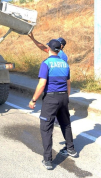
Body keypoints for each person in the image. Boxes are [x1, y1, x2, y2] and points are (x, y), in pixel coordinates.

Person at [29, 39, 77, 170]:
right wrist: (66, 97)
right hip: (63, 97)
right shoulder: (64, 64)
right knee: (65, 123)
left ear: (49, 48)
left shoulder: (46, 63)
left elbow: (42, 84)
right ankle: (71, 149)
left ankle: (48, 160)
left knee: (46, 128)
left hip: (51, 98)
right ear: (59, 49)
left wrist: (33, 100)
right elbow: (68, 83)